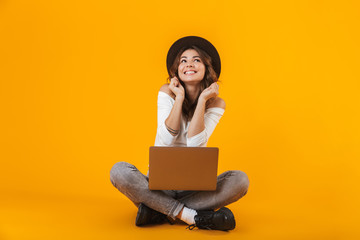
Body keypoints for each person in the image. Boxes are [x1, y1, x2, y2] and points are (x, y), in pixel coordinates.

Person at [110, 36, 249, 231]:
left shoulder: (216, 103)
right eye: (183, 60)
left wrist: (202, 100)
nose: (189, 64)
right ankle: (190, 216)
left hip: (194, 189)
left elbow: (194, 145)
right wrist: (179, 97)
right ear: (177, 70)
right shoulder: (167, 91)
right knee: (119, 171)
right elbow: (166, 139)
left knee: (240, 180)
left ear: (207, 68)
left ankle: (157, 210)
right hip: (159, 186)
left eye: (196, 60)